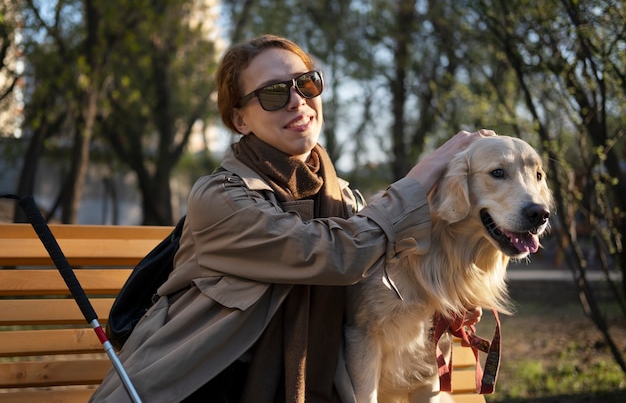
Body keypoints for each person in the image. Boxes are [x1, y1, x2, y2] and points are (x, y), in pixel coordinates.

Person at [89, 34, 489, 403]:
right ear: (240, 119)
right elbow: (335, 253)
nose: (298, 101)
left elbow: (376, 286)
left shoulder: (345, 198)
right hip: (196, 388)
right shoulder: (219, 197)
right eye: (274, 94)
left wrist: (445, 296)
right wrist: (422, 175)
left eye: (307, 83)